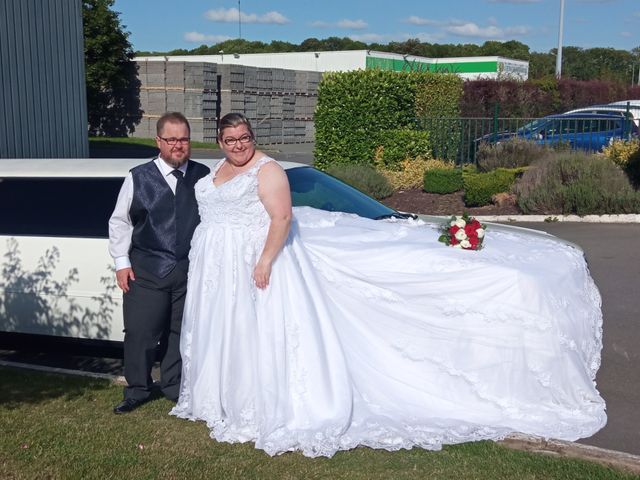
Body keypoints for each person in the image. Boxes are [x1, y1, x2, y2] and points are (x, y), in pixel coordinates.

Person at [171, 112, 606, 457]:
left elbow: (282, 218)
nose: (240, 145)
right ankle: (223, 397)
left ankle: (261, 402)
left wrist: (265, 260)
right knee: (229, 331)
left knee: (261, 331)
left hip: (253, 259)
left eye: (245, 137)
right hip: (218, 269)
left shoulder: (268, 172)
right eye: (231, 141)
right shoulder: (211, 173)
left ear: (252, 135)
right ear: (220, 143)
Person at [109, 112, 210, 414]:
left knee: (180, 333)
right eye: (172, 139)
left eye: (183, 139)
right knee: (141, 333)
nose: (178, 145)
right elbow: (119, 221)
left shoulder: (204, 175)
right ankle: (137, 389)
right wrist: (121, 262)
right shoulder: (138, 177)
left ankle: (173, 386)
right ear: (159, 141)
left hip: (188, 271)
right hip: (146, 270)